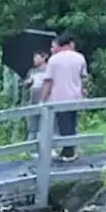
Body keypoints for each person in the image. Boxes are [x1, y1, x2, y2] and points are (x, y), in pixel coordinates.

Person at [40, 33, 88, 161]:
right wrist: (83, 93)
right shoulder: (80, 57)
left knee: (63, 125)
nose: (52, 49)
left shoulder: (54, 60)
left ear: (61, 45)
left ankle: (68, 153)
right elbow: (83, 78)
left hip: (59, 97)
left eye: (53, 46)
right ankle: (69, 150)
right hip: (75, 96)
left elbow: (48, 81)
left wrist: (43, 99)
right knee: (72, 123)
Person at [23, 51, 49, 142]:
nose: (34, 59)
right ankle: (30, 148)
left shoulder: (49, 69)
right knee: (32, 126)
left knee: (46, 125)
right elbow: (25, 85)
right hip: (33, 100)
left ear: (44, 57)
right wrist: (28, 82)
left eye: (36, 57)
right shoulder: (32, 71)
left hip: (47, 101)